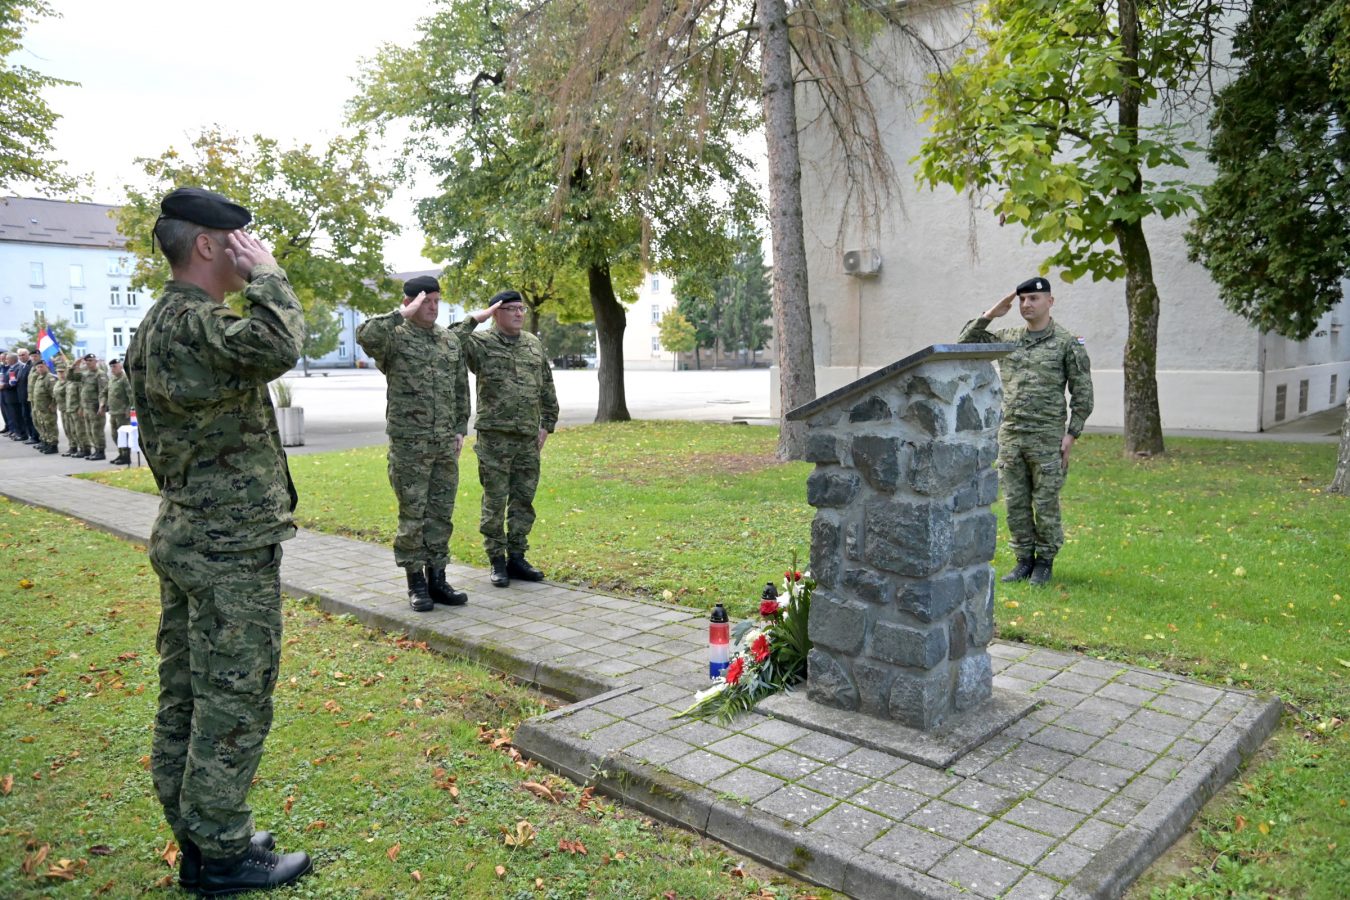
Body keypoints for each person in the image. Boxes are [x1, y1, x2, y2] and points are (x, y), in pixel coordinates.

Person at [124, 186, 311, 893]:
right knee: (232, 700)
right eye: (239, 241)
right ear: (207, 244)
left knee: (186, 695)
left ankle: (201, 837)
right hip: (226, 546)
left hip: (188, 532)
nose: (249, 251)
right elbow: (281, 342)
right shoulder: (199, 325)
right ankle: (224, 857)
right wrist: (270, 275)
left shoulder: (159, 322)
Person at [959, 276, 1093, 586]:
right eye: (1021, 299)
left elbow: (1083, 393)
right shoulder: (1008, 338)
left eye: (1033, 298)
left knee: (1045, 503)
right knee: (1015, 503)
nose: (1026, 304)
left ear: (1050, 301)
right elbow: (964, 344)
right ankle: (1023, 560)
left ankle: (1044, 562)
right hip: (1011, 436)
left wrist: (1071, 434)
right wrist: (991, 313)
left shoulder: (1067, 342)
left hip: (1047, 437)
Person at [356, 275, 472, 611]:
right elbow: (365, 334)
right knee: (413, 515)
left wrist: (459, 427)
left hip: (444, 443)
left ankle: (438, 578)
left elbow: (460, 387)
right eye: (426, 301)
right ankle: (415, 582)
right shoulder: (393, 337)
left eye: (436, 301)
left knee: (441, 513)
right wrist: (402, 314)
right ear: (409, 302)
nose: (433, 308)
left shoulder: (448, 340)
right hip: (410, 444)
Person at [454, 290, 559, 587]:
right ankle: (496, 559)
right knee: (495, 500)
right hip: (494, 438)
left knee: (523, 500)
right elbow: (450, 340)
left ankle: (517, 557)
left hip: (527, 437)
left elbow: (546, 385)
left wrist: (547, 423)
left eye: (521, 308)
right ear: (495, 313)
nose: (518, 313)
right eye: (510, 309)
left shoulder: (533, 343)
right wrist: (477, 318)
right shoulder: (481, 343)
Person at [76, 354, 109, 460]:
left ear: (96, 361)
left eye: (91, 360)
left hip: (95, 408)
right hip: (86, 407)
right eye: (87, 361)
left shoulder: (100, 374)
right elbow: (71, 378)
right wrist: (75, 364)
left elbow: (104, 391)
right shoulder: (85, 374)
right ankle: (96, 450)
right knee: (89, 430)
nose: (89, 362)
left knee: (97, 430)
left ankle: (101, 452)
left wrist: (102, 406)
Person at [28, 356, 59, 454]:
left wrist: (53, 404)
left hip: (48, 407)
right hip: (40, 407)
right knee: (42, 425)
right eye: (38, 367)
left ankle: (53, 445)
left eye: (41, 367)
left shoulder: (50, 378)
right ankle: (46, 441)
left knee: (50, 426)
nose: (40, 369)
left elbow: (54, 394)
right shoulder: (39, 377)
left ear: (46, 366)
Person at [106, 357, 133, 466]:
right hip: (113, 412)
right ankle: (121, 454)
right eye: (111, 367)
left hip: (122, 413)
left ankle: (126, 456)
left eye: (115, 366)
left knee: (124, 435)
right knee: (115, 435)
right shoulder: (112, 379)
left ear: (120, 366)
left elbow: (131, 395)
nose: (113, 369)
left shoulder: (125, 379)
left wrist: (129, 409)